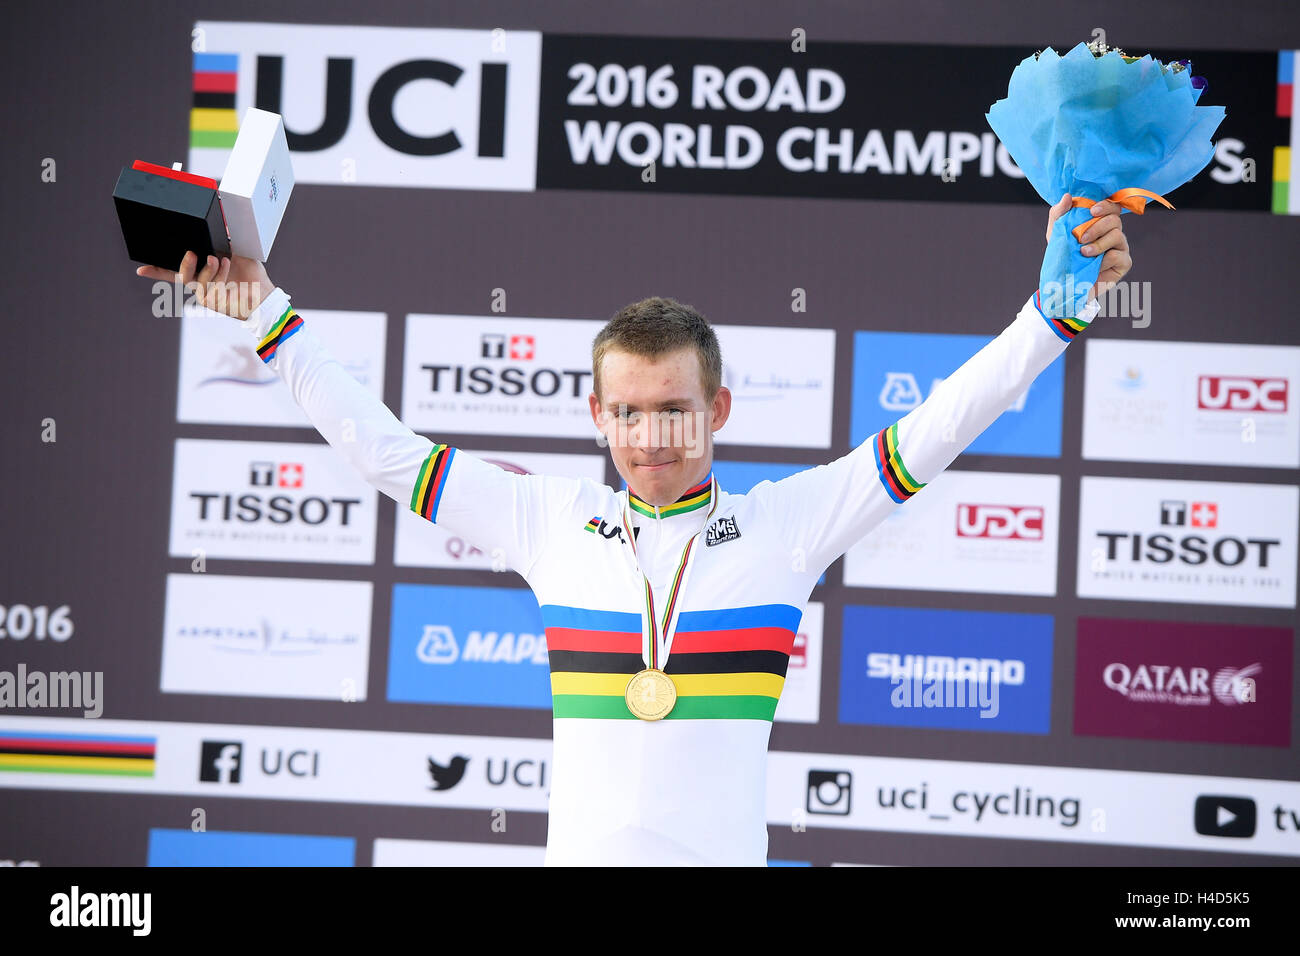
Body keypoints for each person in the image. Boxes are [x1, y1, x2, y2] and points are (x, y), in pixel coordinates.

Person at [135, 193, 1132, 865]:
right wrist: (269, 317)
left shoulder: (788, 523)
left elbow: (940, 423)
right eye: (628, 411)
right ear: (596, 415)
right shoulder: (546, 518)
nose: (650, 436)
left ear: (720, 410)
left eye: (674, 408)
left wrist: (1050, 313)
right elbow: (384, 450)